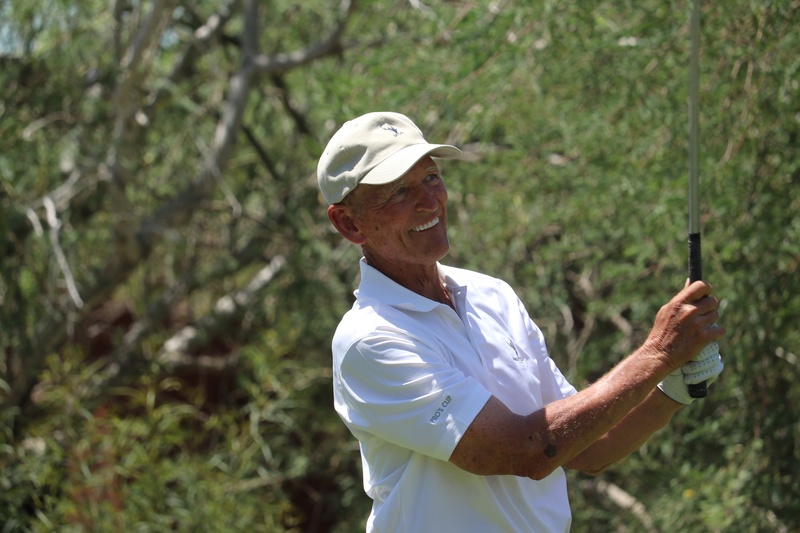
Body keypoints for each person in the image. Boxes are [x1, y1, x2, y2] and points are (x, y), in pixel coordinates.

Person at [317, 111, 725, 532]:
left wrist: (671, 388)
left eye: (431, 178)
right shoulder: (369, 339)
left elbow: (589, 447)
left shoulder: (491, 295)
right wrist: (658, 353)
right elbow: (525, 450)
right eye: (400, 191)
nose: (429, 201)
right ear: (349, 223)